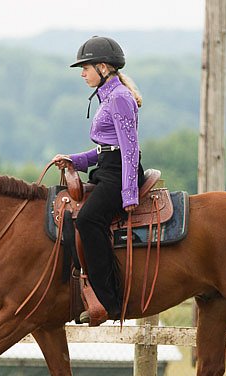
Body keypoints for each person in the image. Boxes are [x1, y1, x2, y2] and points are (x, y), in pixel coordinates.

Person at [52, 35, 146, 324]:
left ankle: (109, 302)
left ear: (103, 67)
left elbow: (129, 148)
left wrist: (129, 193)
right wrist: (75, 160)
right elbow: (106, 148)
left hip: (119, 174)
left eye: (86, 67)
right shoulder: (108, 96)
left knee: (89, 220)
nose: (82, 74)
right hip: (108, 168)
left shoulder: (118, 98)